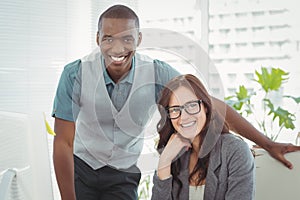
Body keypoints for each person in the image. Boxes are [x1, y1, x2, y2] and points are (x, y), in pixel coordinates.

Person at [52, 4, 300, 200]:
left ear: (138, 39)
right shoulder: (76, 74)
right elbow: (63, 141)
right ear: (97, 39)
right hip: (81, 167)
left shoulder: (156, 72)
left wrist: (267, 143)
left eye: (127, 38)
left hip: (123, 172)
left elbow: (209, 105)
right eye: (108, 38)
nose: (117, 47)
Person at [151, 74, 255, 200]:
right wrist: (165, 160)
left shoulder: (235, 150)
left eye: (191, 105)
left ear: (205, 106)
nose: (183, 117)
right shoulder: (174, 154)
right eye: (175, 109)